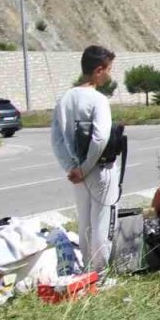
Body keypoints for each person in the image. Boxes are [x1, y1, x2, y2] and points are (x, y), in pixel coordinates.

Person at [51, 45, 119, 273]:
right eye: (109, 69)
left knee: (85, 222)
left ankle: (88, 268)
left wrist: (72, 168)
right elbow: (100, 137)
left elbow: (57, 139)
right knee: (102, 219)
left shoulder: (65, 99)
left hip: (77, 173)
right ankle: (100, 271)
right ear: (99, 70)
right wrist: (86, 166)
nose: (110, 74)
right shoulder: (98, 100)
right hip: (99, 170)